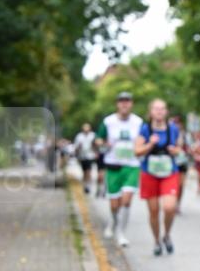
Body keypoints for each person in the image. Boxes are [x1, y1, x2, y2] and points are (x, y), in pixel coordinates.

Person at [95, 92, 143, 247]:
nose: (124, 104)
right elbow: (98, 139)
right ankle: (112, 222)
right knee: (114, 205)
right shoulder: (108, 122)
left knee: (126, 201)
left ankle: (121, 233)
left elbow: (144, 139)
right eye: (121, 101)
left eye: (127, 101)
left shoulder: (138, 122)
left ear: (131, 104)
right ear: (117, 104)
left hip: (132, 166)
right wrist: (102, 143)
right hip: (113, 165)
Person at [134, 100, 181, 256]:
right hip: (149, 173)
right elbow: (137, 151)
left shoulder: (173, 129)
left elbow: (179, 148)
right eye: (156, 109)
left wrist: (175, 151)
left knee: (169, 208)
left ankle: (166, 235)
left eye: (162, 109)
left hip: (169, 173)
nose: (159, 111)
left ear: (166, 111)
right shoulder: (145, 129)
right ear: (151, 111)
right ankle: (156, 241)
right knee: (154, 211)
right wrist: (150, 144)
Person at [170, 116, 189, 214]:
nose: (176, 125)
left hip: (182, 163)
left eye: (178, 123)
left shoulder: (185, 135)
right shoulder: (169, 133)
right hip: (171, 162)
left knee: (181, 185)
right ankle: (171, 203)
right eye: (174, 123)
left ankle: (177, 204)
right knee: (173, 184)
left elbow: (189, 148)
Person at [73, 122, 98, 193]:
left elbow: (96, 145)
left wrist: (96, 152)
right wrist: (78, 149)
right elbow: (76, 148)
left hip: (90, 156)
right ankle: (85, 184)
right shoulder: (79, 136)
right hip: (82, 156)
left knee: (88, 171)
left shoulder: (93, 135)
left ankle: (88, 186)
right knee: (84, 172)